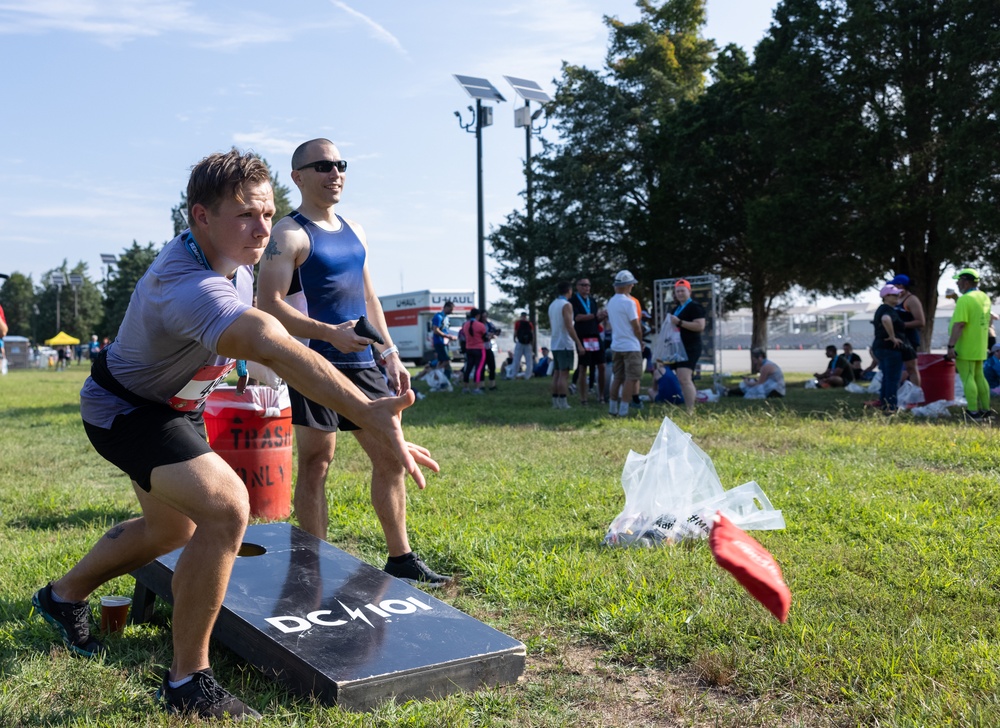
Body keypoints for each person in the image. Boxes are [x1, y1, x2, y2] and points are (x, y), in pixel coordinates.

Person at [31, 149, 436, 720]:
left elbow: (280, 331)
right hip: (125, 409)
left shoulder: (236, 260)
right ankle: (186, 683)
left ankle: (61, 595)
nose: (263, 228)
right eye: (247, 215)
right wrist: (371, 414)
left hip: (177, 405)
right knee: (226, 508)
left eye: (269, 214)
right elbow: (272, 343)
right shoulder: (189, 284)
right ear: (200, 215)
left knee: (171, 529)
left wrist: (340, 354)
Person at [257, 138, 448, 589]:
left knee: (390, 457)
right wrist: (328, 334)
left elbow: (367, 298)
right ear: (298, 176)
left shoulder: (355, 230)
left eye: (340, 164)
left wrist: (389, 351)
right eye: (322, 166)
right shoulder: (288, 234)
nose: (334, 173)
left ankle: (400, 557)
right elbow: (269, 304)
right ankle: (311, 564)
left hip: (363, 360)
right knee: (318, 462)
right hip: (312, 360)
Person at [944, 268, 993, 421]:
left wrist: (951, 346)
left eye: (958, 280)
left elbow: (960, 324)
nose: (957, 283)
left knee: (967, 377)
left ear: (965, 281)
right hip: (979, 343)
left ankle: (973, 412)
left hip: (965, 344)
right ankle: (986, 410)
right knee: (980, 376)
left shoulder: (966, 299)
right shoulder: (984, 297)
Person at [606, 270, 644, 417]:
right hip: (631, 345)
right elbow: (636, 326)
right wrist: (640, 341)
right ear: (627, 285)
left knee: (618, 377)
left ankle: (612, 408)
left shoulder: (611, 301)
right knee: (631, 378)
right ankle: (624, 409)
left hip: (616, 345)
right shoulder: (629, 303)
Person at [668, 279, 706, 415]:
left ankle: (690, 411)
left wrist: (680, 322)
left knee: (684, 378)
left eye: (682, 290)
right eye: (677, 291)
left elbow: (700, 326)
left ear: (689, 291)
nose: (679, 293)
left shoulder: (694, 307)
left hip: (691, 346)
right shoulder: (676, 308)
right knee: (682, 378)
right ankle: (690, 406)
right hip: (678, 347)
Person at [570, 277, 607, 406]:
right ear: (578, 286)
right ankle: (583, 398)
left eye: (589, 285)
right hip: (582, 336)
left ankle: (601, 396)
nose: (587, 288)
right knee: (582, 367)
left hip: (595, 335)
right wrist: (593, 316)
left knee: (601, 365)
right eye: (584, 285)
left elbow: (595, 319)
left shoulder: (592, 300)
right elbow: (577, 317)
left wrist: (601, 317)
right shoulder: (573, 300)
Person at [547, 282, 585, 409]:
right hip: (565, 343)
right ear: (569, 290)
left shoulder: (552, 305)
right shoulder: (566, 305)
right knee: (564, 374)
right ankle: (563, 402)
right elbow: (569, 326)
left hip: (555, 342)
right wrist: (578, 343)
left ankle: (555, 401)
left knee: (557, 373)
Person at [871, 283, 907, 414]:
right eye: (894, 294)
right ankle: (891, 407)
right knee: (893, 379)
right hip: (890, 349)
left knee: (887, 377)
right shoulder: (887, 310)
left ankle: (884, 404)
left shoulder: (882, 308)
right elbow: (886, 319)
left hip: (880, 347)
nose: (898, 296)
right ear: (885, 296)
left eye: (899, 294)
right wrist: (892, 337)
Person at [887, 274, 924, 386]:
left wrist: (901, 325)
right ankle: (897, 395)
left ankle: (914, 396)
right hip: (896, 339)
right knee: (895, 368)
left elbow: (921, 322)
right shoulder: (895, 299)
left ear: (900, 285)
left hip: (909, 340)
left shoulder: (911, 300)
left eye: (894, 285)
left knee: (910, 368)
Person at [459, 308, 487, 394]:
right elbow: (484, 337)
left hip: (469, 349)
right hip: (479, 349)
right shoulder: (480, 325)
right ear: (478, 316)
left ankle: (465, 387)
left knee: (468, 368)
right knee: (478, 369)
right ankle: (477, 388)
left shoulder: (465, 325)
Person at [430, 300, 456, 380]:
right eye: (450, 309)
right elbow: (435, 330)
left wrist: (449, 337)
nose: (451, 311)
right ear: (446, 307)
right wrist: (447, 336)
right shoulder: (438, 316)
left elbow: (445, 330)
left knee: (441, 361)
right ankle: (435, 374)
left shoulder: (446, 318)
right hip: (439, 342)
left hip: (445, 343)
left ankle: (442, 378)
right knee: (446, 360)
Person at [512, 311, 534, 379]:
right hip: (528, 343)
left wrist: (514, 338)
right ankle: (528, 375)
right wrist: (532, 342)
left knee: (516, 359)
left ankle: (514, 374)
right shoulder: (529, 323)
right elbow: (532, 334)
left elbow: (515, 332)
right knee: (529, 360)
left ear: (521, 316)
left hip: (520, 342)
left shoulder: (518, 323)